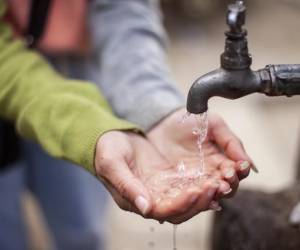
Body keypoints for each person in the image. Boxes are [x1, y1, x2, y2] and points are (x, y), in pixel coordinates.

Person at [0, 0, 254, 249]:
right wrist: (90, 127)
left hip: (71, 59)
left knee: (81, 231)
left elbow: (124, 9)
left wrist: (155, 109)